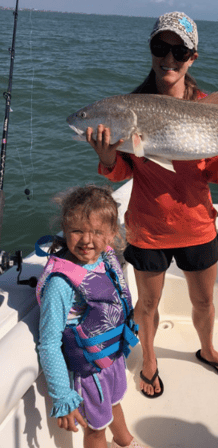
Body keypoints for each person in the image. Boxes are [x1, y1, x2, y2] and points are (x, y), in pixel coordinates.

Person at [86, 11, 218, 398]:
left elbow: (215, 175)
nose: (169, 58)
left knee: (204, 300)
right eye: (160, 47)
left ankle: (208, 348)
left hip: (197, 224)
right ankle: (149, 360)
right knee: (147, 304)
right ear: (150, 50)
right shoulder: (130, 107)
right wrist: (110, 158)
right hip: (148, 228)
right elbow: (122, 171)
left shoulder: (209, 108)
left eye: (179, 50)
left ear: (193, 56)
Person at [36, 185, 146, 448]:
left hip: (113, 359)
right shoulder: (61, 285)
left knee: (115, 403)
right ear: (64, 228)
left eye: (97, 232)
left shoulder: (106, 259)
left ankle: (125, 441)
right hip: (89, 374)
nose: (87, 240)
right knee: (96, 430)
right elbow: (49, 344)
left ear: (111, 234)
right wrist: (62, 397)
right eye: (77, 231)